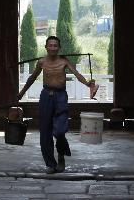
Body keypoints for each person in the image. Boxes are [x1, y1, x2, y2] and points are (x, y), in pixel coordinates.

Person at [17, 35, 97, 174]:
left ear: (59, 48)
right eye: (50, 45)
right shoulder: (41, 62)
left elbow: (77, 74)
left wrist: (88, 84)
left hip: (60, 96)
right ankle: (50, 164)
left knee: (60, 131)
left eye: (55, 45)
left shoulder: (64, 61)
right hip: (46, 96)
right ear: (46, 47)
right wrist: (21, 92)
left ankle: (61, 154)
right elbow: (32, 78)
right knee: (45, 131)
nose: (53, 48)